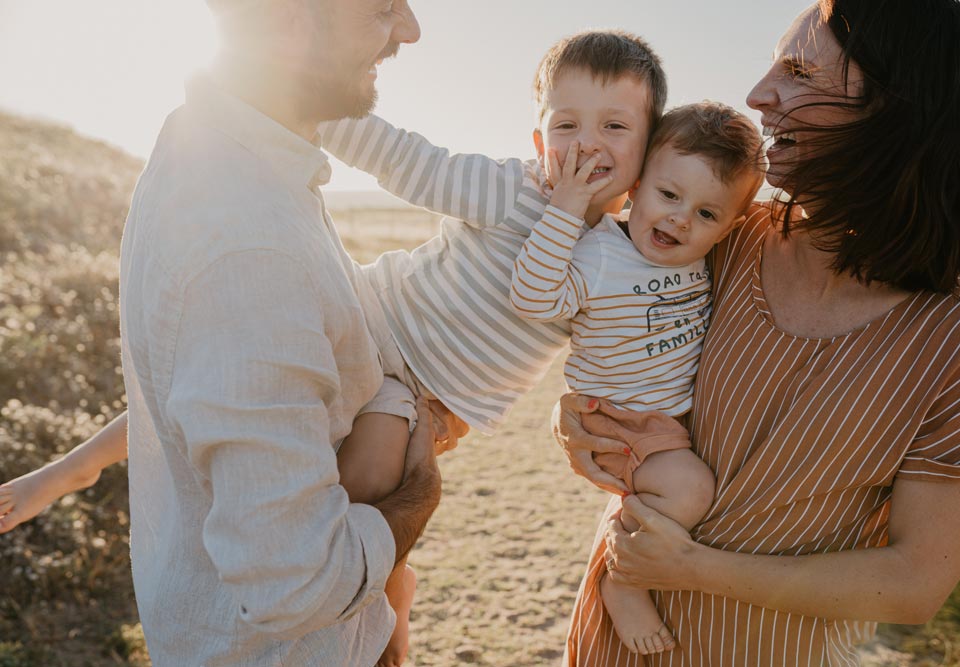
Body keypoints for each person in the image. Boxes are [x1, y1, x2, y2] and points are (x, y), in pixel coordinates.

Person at [2, 26, 664, 663]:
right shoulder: (511, 187)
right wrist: (292, 95)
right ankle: (70, 470)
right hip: (370, 313)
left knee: (369, 481)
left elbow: (592, 339)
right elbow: (403, 157)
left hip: (421, 389)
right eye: (566, 124)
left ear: (645, 152)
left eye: (614, 127)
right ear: (538, 135)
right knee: (211, 383)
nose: (586, 145)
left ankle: (372, 596)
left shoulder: (617, 263)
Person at [556, 1, 960, 665]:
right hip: (609, 642)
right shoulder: (720, 238)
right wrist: (578, 419)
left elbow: (913, 582)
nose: (759, 94)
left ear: (892, 107)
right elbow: (614, 343)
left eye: (797, 70)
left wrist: (694, 567)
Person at [119, 1, 445, 665]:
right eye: (382, 8)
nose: (408, 30)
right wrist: (420, 491)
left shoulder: (222, 153)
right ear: (289, 19)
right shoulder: (245, 242)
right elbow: (296, 582)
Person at [510, 101, 764, 655]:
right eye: (669, 196)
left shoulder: (701, 259)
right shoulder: (602, 253)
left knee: (687, 484)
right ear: (639, 183)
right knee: (691, 488)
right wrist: (566, 206)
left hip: (662, 423)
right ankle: (621, 579)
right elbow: (532, 297)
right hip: (619, 421)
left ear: (730, 226)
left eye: (706, 214)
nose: (679, 219)